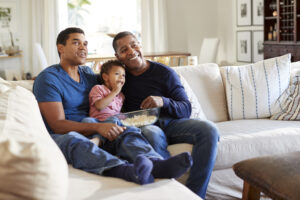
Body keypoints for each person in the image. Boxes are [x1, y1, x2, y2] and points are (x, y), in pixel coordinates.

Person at [32, 27, 193, 186]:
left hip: (96, 129)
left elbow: (112, 81)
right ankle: (126, 171)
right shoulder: (48, 78)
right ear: (61, 48)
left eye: (85, 44)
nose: (83, 48)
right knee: (75, 140)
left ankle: (156, 164)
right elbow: (57, 125)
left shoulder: (88, 74)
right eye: (76, 43)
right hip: (66, 135)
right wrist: (97, 128)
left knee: (126, 129)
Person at [113, 31, 219, 198]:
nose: (131, 51)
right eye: (124, 49)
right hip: (144, 125)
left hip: (172, 124)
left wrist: (163, 101)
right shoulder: (119, 77)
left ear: (140, 45)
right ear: (118, 56)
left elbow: (186, 108)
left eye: (134, 45)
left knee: (209, 130)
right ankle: (169, 194)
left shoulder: (164, 73)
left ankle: (195, 195)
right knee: (152, 133)